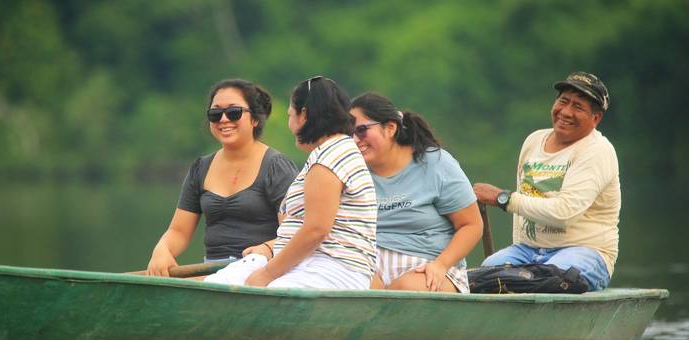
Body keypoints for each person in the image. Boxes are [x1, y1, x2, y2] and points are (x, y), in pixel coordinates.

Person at [207, 76, 377, 289]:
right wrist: (270, 250)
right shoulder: (330, 152)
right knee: (219, 283)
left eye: (290, 115)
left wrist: (266, 274)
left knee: (266, 293)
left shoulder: (330, 157)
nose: (290, 124)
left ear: (303, 115)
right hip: (308, 264)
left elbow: (316, 229)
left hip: (333, 268)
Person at [473, 71, 619, 292]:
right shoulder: (534, 140)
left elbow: (564, 213)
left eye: (578, 107)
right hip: (527, 251)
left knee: (552, 278)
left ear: (595, 119)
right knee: (481, 276)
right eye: (563, 101)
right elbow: (522, 217)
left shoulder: (597, 150)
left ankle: (528, 285)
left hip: (585, 251)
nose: (566, 112)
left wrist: (502, 199)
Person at [146, 79, 297, 277]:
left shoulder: (276, 167)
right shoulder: (200, 168)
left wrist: (267, 248)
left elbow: (295, 232)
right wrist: (162, 250)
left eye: (234, 112)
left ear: (255, 119)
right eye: (215, 114)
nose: (224, 120)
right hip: (213, 274)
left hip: (260, 275)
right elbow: (178, 232)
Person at [349, 93, 483, 293]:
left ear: (390, 128)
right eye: (348, 132)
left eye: (361, 130)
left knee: (405, 289)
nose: (354, 139)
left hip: (429, 263)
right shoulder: (350, 170)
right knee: (356, 288)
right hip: (369, 262)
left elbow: (471, 225)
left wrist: (441, 264)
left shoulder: (436, 163)